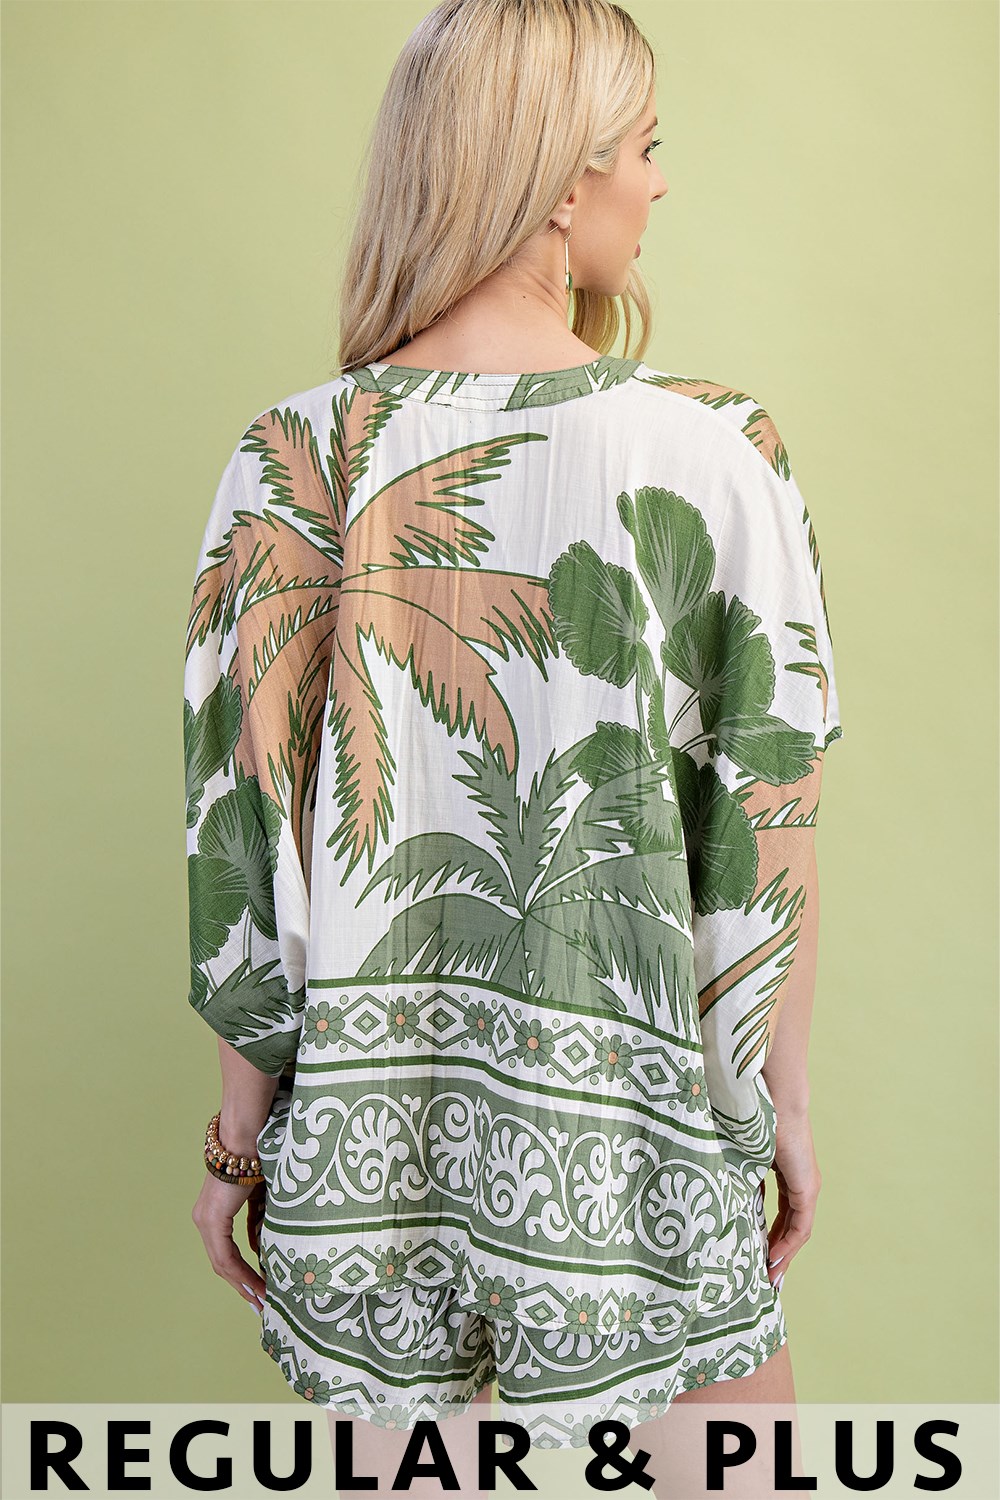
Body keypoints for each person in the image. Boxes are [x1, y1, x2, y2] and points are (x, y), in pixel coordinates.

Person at [185, 0, 843, 1489]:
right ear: (566, 176)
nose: (661, 184)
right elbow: (765, 833)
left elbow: (245, 841)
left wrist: (240, 1139)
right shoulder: (716, 449)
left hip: (368, 1141)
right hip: (639, 1137)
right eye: (648, 147)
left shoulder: (291, 460)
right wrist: (778, 1114)